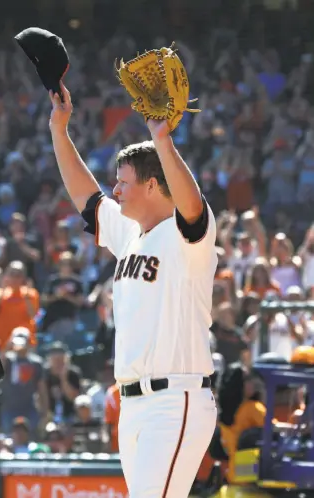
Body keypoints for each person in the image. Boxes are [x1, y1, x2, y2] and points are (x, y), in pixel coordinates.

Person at [49, 82, 217, 498]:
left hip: (174, 398)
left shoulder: (186, 235)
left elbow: (191, 204)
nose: (116, 190)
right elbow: (86, 197)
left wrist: (163, 143)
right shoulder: (130, 234)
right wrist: (59, 129)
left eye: (123, 182)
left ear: (154, 187)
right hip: (133, 404)